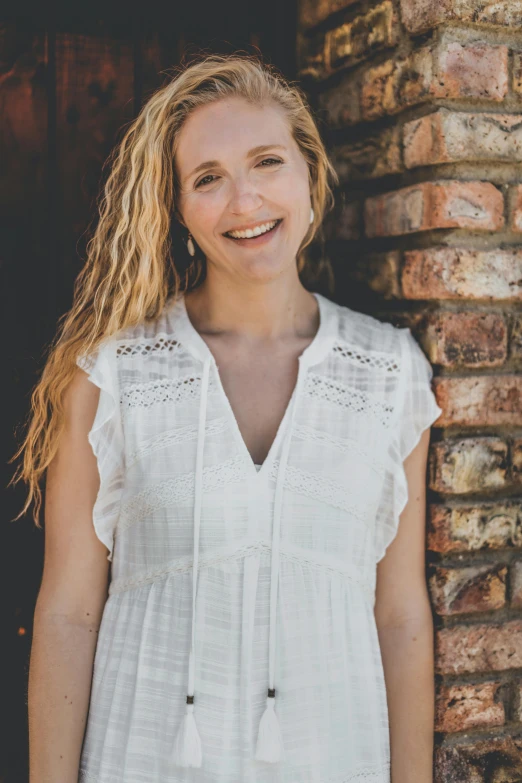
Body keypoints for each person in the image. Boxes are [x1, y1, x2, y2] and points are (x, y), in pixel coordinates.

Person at [14, 52, 442, 783]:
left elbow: (400, 617)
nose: (244, 200)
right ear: (179, 210)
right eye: (207, 178)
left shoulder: (391, 375)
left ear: (310, 176)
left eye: (267, 162)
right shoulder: (111, 376)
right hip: (142, 756)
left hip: (335, 758)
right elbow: (67, 612)